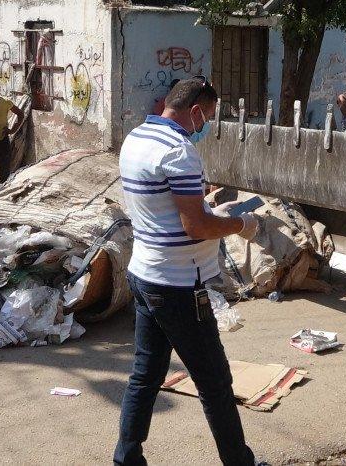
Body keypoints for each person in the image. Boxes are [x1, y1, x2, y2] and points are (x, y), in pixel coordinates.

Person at [115, 77, 261, 466]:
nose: (206, 127)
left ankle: (126, 458)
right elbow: (195, 227)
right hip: (178, 284)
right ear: (195, 110)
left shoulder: (136, 138)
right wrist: (238, 225)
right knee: (215, 382)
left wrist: (201, 204)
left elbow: (162, 206)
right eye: (208, 118)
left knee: (145, 375)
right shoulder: (179, 151)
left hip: (145, 274)